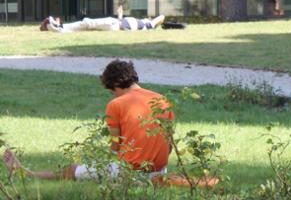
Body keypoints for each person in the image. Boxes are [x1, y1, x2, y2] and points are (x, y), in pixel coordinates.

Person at [3, 59, 174, 180]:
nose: (112, 94)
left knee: (72, 170)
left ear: (114, 85)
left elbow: (116, 146)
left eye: (111, 90)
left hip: (131, 172)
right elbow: (169, 146)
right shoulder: (163, 100)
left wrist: (99, 163)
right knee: (88, 168)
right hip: (159, 172)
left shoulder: (117, 104)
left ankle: (26, 173)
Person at [40, 6, 165, 33]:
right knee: (87, 25)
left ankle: (58, 27)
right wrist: (120, 14)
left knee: (88, 23)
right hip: (117, 23)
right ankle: (60, 27)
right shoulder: (139, 22)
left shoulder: (147, 25)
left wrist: (155, 22)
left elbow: (161, 17)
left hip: (115, 24)